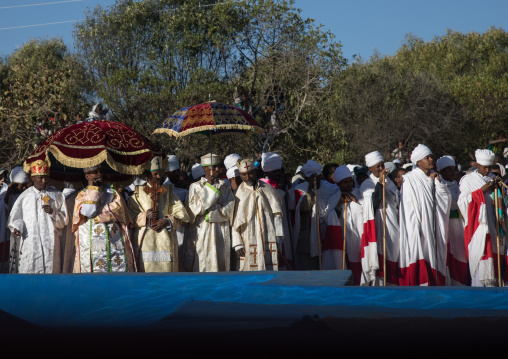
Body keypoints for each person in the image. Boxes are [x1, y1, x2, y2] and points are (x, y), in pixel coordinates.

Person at [399, 144, 451, 286]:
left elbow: (445, 200)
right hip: (419, 228)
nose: (431, 159)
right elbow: (408, 209)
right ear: (418, 162)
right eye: (427, 157)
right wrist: (416, 229)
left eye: (431, 156)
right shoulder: (410, 180)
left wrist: (438, 184)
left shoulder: (433, 178)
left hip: (434, 228)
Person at [128, 156, 190, 272]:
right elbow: (129, 219)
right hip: (146, 242)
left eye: (160, 173)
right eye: (155, 174)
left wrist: (167, 221)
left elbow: (182, 215)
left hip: (165, 241)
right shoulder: (137, 194)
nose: (159, 177)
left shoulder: (168, 193)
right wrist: (145, 215)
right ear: (147, 175)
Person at [70, 165, 136, 273]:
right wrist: (93, 189)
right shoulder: (82, 195)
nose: (99, 174)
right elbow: (89, 212)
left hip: (113, 240)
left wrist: (97, 214)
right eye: (95, 172)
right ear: (87, 176)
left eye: (100, 171)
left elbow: (117, 210)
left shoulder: (112, 191)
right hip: (92, 243)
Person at [7, 160, 68, 273]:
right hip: (31, 241)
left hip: (51, 242)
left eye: (46, 177)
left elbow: (65, 220)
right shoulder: (25, 196)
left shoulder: (57, 195)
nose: (44, 181)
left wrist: (53, 212)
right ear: (33, 178)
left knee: (51, 273)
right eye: (40, 178)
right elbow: (16, 218)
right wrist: (16, 228)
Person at [458, 149, 506, 287]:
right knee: (481, 261)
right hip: (478, 228)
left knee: (495, 264)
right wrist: (481, 192)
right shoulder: (468, 180)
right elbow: (462, 202)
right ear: (477, 164)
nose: (486, 170)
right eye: (484, 167)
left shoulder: (494, 179)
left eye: (489, 167)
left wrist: (500, 191)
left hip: (495, 226)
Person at [185, 154, 235, 272]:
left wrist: (209, 214)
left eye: (218, 166)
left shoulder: (225, 187)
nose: (217, 169)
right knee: (203, 263)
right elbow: (194, 210)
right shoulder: (195, 187)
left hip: (221, 232)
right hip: (202, 232)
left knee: (220, 264)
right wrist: (209, 188)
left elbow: (229, 210)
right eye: (214, 167)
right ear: (204, 168)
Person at [232, 159, 283, 271]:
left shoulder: (268, 189)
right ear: (240, 175)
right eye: (244, 174)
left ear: (255, 172)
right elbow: (234, 220)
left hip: (268, 234)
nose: (248, 177)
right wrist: (237, 244)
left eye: (250, 173)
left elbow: (277, 214)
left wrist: (278, 235)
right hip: (247, 237)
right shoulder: (238, 193)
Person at [360, 151, 400, 286]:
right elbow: (373, 202)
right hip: (378, 226)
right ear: (370, 168)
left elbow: (397, 200)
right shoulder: (366, 184)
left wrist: (385, 183)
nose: (381, 169)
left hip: (392, 223)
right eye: (378, 166)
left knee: (394, 255)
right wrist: (380, 183)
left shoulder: (389, 182)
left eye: (382, 165)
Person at [292, 160, 339, 270]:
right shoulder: (300, 189)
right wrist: (310, 191)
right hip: (307, 238)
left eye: (317, 176)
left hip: (326, 234)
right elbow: (303, 208)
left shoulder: (329, 188)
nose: (315, 179)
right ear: (306, 177)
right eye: (312, 177)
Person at [322, 165, 364, 284]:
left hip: (358, 236)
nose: (348, 184)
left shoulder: (359, 193)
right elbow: (327, 216)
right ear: (339, 184)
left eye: (350, 181)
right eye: (345, 182)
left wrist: (354, 200)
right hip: (343, 237)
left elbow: (366, 210)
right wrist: (339, 204)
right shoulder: (334, 198)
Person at [260, 152, 295, 270]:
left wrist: (288, 188)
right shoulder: (263, 186)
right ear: (266, 172)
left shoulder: (283, 185)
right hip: (273, 226)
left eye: (279, 171)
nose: (277, 174)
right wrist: (279, 187)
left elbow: (291, 205)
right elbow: (274, 205)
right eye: (274, 172)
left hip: (285, 225)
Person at [437, 155, 468, 286]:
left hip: (460, 226)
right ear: (442, 172)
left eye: (454, 169)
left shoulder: (459, 185)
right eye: (449, 170)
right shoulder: (438, 187)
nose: (453, 172)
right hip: (447, 226)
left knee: (462, 256)